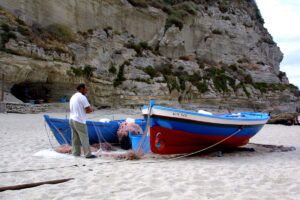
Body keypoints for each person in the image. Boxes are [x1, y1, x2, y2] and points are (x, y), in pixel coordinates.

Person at [69, 83, 96, 159]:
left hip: (71, 119)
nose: (87, 90)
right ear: (81, 89)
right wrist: (93, 109)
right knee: (84, 137)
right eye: (86, 89)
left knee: (75, 139)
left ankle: (76, 153)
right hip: (79, 121)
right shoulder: (82, 97)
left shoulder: (73, 96)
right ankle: (88, 154)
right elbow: (88, 110)